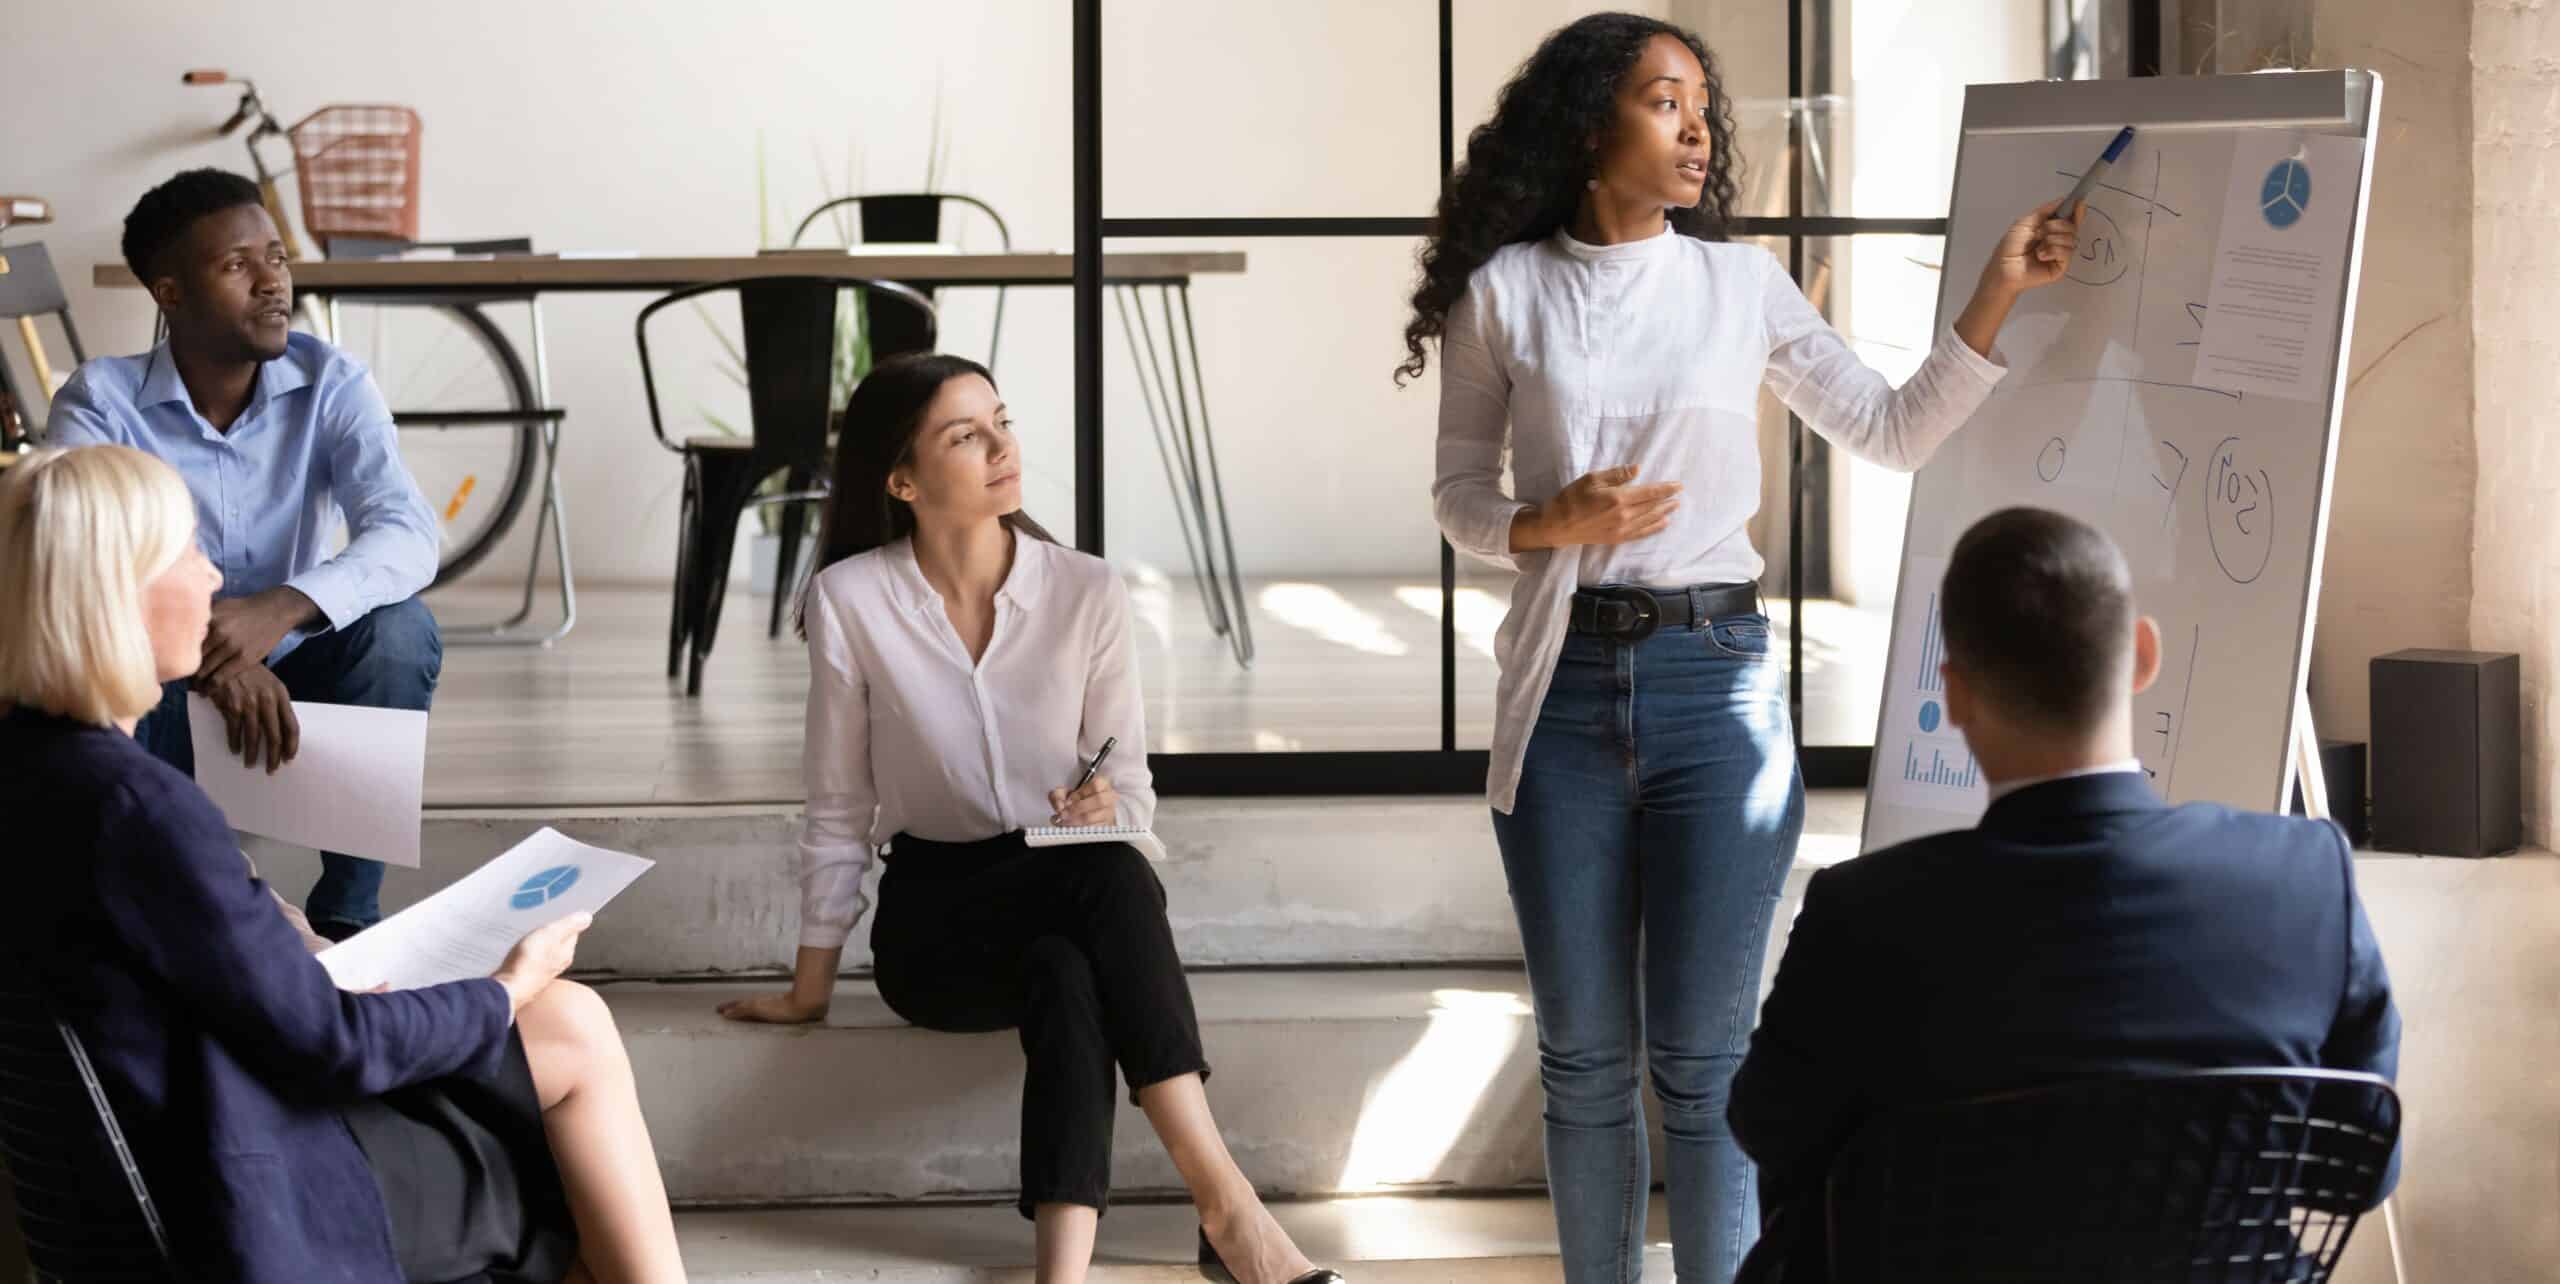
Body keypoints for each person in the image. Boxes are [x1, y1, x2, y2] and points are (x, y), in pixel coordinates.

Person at [1400, 13, 2079, 1282]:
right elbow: (1456, 497)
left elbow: (1887, 428)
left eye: (1703, 104)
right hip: (1557, 697)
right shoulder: (1505, 294)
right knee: (1584, 1061)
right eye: (1665, 101)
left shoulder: (1736, 284)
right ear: (1590, 120)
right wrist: (1547, 523)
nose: (1700, 126)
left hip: (1714, 687)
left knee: (1706, 1065)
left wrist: (1994, 290)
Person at [715, 354, 1342, 1284]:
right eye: (965, 435)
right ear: (900, 479)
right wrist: (811, 985)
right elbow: (840, 806)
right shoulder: (851, 600)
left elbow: (1130, 787)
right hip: (937, 922)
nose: (1003, 447)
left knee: (1074, 947)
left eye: (1001, 420)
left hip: (1062, 878)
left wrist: (1107, 803)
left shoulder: (1085, 590)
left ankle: (1065, 1275)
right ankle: (1229, 1209)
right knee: (1109, 879)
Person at [0, 445, 687, 1283]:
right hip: (245, 1183)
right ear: (117, 593)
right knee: (560, 1108)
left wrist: (275, 936)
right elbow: (333, 1047)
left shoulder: (40, 770)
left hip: (135, 1165)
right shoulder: (138, 807)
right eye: (185, 551)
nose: (213, 575)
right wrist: (509, 984)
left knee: (569, 1028)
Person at [1727, 507, 2401, 1283]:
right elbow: (2358, 1167)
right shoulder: (2306, 877)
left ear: (1954, 695)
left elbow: (1769, 1129)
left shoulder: (1865, 913)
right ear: (2144, 654)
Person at [46, 168, 445, 940]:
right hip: (161, 680)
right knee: (106, 656)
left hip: (295, 664)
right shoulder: (101, 401)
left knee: (401, 633)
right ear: (169, 293)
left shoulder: (330, 380)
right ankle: (175, 912)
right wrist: (217, 653)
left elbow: (407, 530)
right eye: (237, 265)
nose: (272, 284)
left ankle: (350, 920)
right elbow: (81, 567)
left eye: (278, 258)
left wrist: (281, 610)